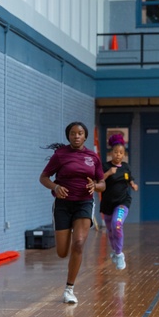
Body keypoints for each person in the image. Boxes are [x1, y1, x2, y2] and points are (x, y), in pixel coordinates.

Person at [39, 122, 106, 303]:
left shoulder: (93, 157)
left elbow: (102, 183)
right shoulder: (60, 155)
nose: (76, 136)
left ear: (85, 137)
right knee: (62, 252)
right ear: (68, 136)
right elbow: (43, 178)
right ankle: (65, 231)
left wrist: (96, 186)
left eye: (80, 133)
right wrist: (55, 186)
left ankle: (69, 289)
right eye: (73, 133)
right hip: (63, 205)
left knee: (78, 244)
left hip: (84, 203)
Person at [94, 133, 138, 270]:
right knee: (111, 231)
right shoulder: (104, 166)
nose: (118, 155)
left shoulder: (126, 167)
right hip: (108, 204)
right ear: (111, 153)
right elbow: (97, 182)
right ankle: (115, 250)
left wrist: (133, 184)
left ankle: (119, 254)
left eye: (121, 153)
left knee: (117, 224)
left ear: (123, 154)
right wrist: (108, 174)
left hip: (122, 202)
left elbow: (129, 178)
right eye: (115, 152)